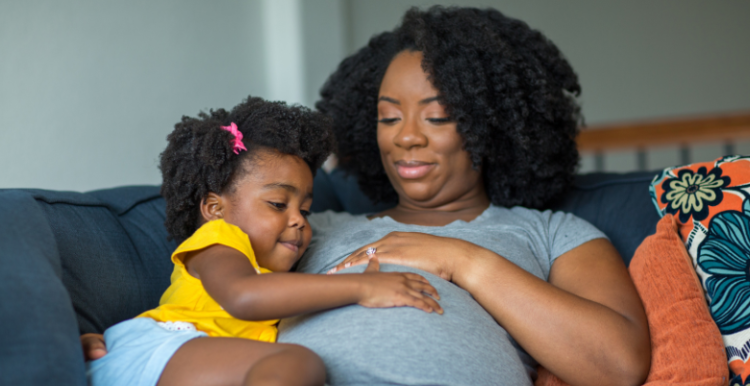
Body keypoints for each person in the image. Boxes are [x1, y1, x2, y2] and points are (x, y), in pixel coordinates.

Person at [84, 6, 651, 386]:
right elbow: (217, 299)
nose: (405, 136)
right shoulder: (303, 225)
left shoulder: (551, 233)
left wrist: (460, 259)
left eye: (439, 116)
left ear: (492, 123)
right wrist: (127, 346)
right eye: (386, 117)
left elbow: (617, 364)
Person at [84, 96, 442, 386]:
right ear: (214, 208)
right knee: (295, 363)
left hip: (192, 360)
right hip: (163, 346)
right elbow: (244, 297)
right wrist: (361, 287)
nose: (299, 220)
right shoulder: (219, 241)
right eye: (277, 204)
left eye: (305, 209)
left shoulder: (271, 272)